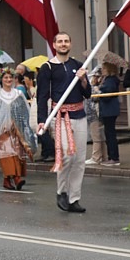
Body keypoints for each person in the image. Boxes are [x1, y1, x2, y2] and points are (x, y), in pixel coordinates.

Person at [37, 32, 91, 213]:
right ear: (54, 45)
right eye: (59, 41)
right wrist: (41, 120)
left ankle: (74, 198)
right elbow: (42, 95)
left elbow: (88, 94)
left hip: (80, 115)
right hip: (60, 117)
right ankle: (62, 192)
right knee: (67, 156)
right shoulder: (47, 68)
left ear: (70, 44)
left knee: (79, 159)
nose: (63, 44)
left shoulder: (78, 65)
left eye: (66, 41)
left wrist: (83, 79)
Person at [0, 67, 37, 190]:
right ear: (1, 80)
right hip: (2, 131)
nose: (8, 79)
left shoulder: (19, 94)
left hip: (17, 130)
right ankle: (16, 178)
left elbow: (24, 111)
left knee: (17, 153)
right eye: (6, 78)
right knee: (7, 153)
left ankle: (7, 180)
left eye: (10, 77)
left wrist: (24, 127)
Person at [98, 63, 121, 166]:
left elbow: (107, 96)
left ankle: (114, 157)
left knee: (110, 134)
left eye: (103, 68)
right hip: (109, 110)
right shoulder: (107, 79)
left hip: (109, 110)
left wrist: (99, 91)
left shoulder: (111, 80)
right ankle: (111, 157)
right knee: (109, 133)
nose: (102, 70)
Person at [84, 69, 106, 165]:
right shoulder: (94, 86)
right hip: (92, 114)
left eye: (96, 77)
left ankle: (96, 157)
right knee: (100, 136)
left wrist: (96, 91)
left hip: (95, 114)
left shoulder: (97, 87)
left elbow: (94, 98)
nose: (93, 79)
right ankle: (103, 156)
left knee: (96, 136)